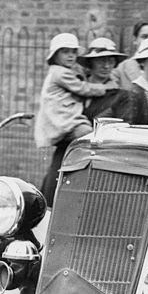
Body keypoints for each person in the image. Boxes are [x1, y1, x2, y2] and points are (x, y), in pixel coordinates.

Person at [34, 33, 112, 205]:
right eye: (65, 52)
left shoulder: (64, 71)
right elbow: (82, 88)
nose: (70, 56)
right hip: (65, 119)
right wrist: (104, 88)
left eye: (73, 52)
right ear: (55, 55)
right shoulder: (60, 73)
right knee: (91, 137)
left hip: (67, 118)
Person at [80, 37, 148, 125]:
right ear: (90, 63)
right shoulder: (76, 87)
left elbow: (123, 126)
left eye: (111, 62)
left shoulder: (120, 96)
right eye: (101, 61)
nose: (106, 66)